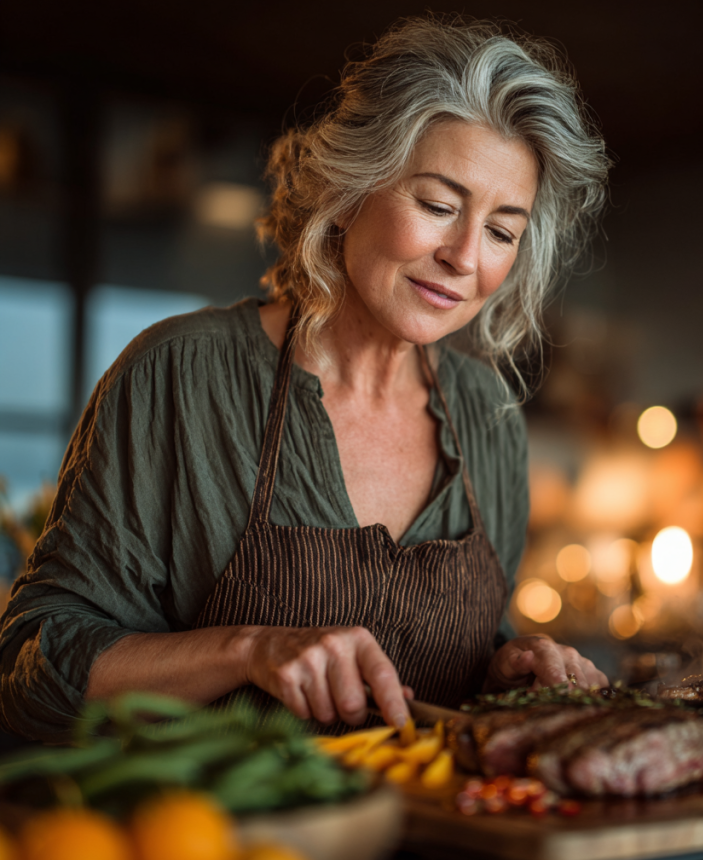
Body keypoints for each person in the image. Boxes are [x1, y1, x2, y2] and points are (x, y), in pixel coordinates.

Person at [0, 16, 609, 743]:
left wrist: (500, 667)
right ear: (350, 190)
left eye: (502, 231)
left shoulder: (488, 416)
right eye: (438, 206)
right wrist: (249, 648)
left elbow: (446, 663)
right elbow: (31, 664)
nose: (464, 256)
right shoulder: (182, 376)